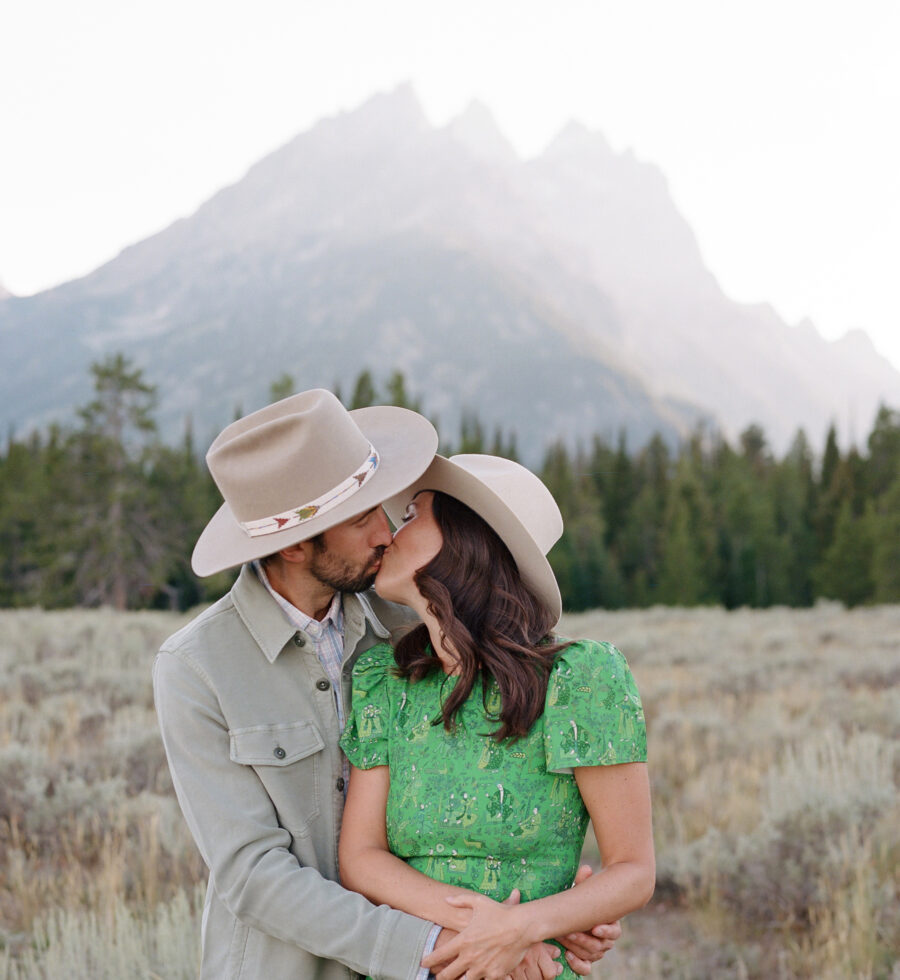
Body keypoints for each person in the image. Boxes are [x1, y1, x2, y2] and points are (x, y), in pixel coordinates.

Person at [153, 390, 622, 979]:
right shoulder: (197, 668)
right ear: (295, 545)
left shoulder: (412, 622)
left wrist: (552, 905)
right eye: (359, 519)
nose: (385, 531)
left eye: (383, 507)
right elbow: (253, 878)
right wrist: (456, 942)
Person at [338, 454, 655, 980]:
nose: (393, 532)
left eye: (414, 516)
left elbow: (633, 871)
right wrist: (491, 929)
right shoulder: (385, 680)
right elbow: (361, 858)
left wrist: (522, 929)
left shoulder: (582, 679)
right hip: (416, 963)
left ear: (464, 542)